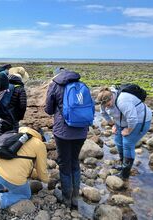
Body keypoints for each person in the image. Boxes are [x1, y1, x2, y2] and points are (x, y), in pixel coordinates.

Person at [44, 69, 89, 209]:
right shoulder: (82, 85)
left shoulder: (55, 85)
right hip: (81, 131)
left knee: (64, 163)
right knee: (75, 161)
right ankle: (75, 198)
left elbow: (49, 109)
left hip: (62, 132)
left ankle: (66, 199)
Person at [0, 127, 49, 218]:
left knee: (0, 175)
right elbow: (41, 169)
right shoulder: (39, 144)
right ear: (40, 136)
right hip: (9, 176)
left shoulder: (14, 133)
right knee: (25, 194)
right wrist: (46, 181)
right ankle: (1, 200)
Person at [96, 86, 152, 179]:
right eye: (104, 105)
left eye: (108, 105)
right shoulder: (104, 102)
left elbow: (132, 118)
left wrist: (128, 130)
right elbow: (103, 113)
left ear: (111, 98)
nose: (106, 106)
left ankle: (125, 173)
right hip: (122, 121)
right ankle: (122, 164)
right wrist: (112, 124)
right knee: (118, 141)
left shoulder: (122, 101)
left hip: (140, 120)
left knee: (127, 143)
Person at [0, 67, 28, 133]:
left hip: (0, 117)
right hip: (13, 118)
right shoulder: (20, 89)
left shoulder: (3, 85)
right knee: (12, 137)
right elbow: (23, 106)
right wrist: (19, 118)